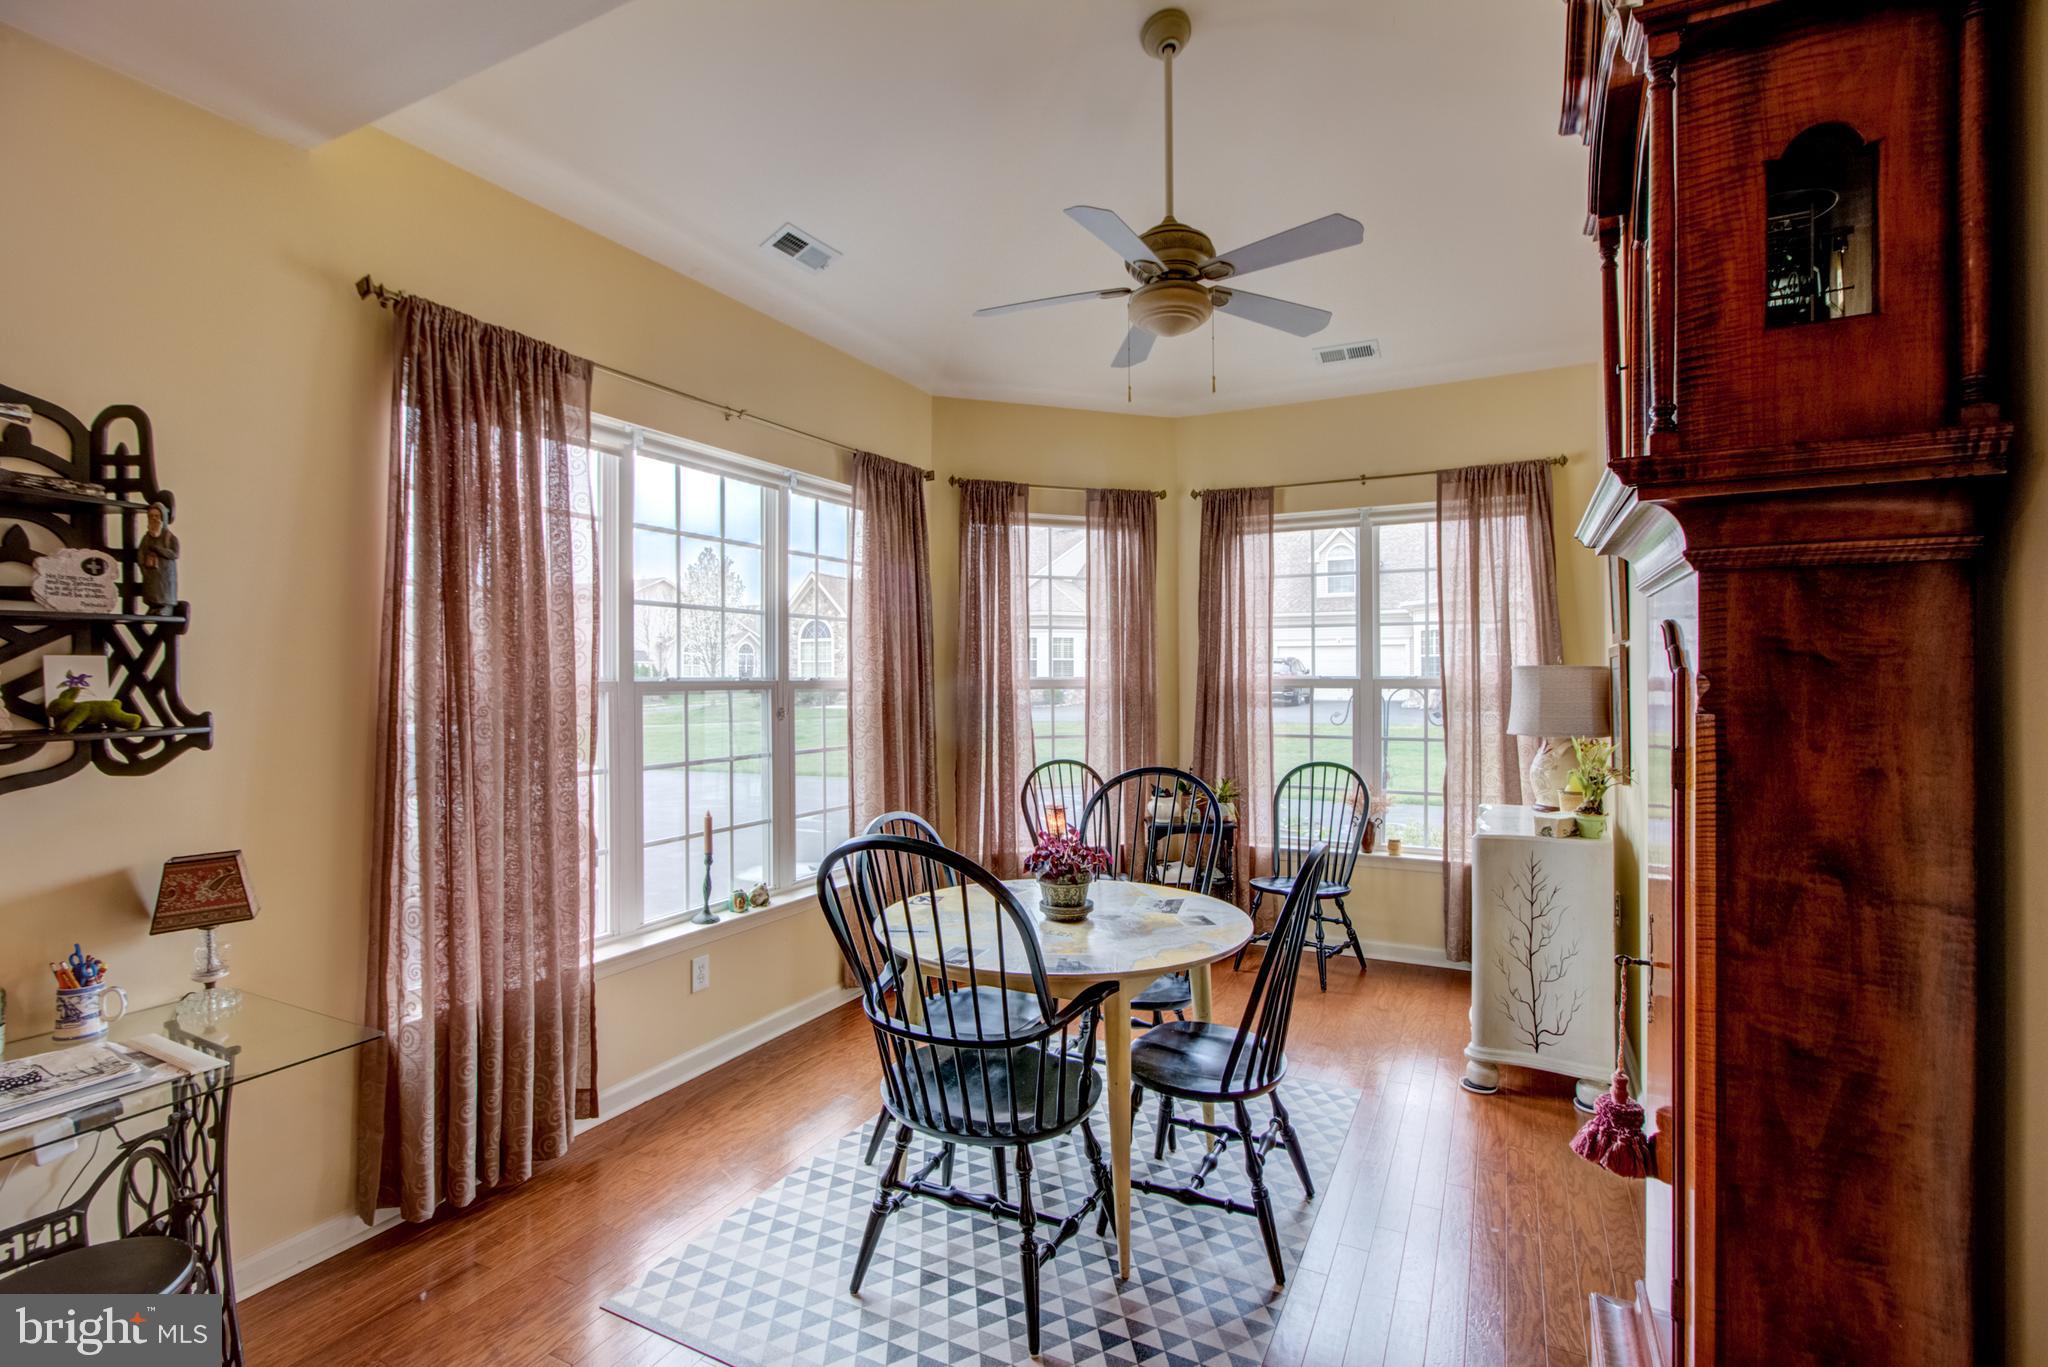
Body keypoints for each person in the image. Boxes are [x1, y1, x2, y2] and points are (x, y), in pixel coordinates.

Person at [138, 501, 179, 612]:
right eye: (151, 516)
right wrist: (143, 566)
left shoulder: (169, 537)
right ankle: (153, 607)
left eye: (157, 516)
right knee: (152, 594)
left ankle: (165, 608)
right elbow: (141, 553)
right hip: (151, 573)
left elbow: (174, 554)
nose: (154, 519)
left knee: (164, 593)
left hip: (165, 575)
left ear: (163, 518)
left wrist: (158, 549)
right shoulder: (147, 538)